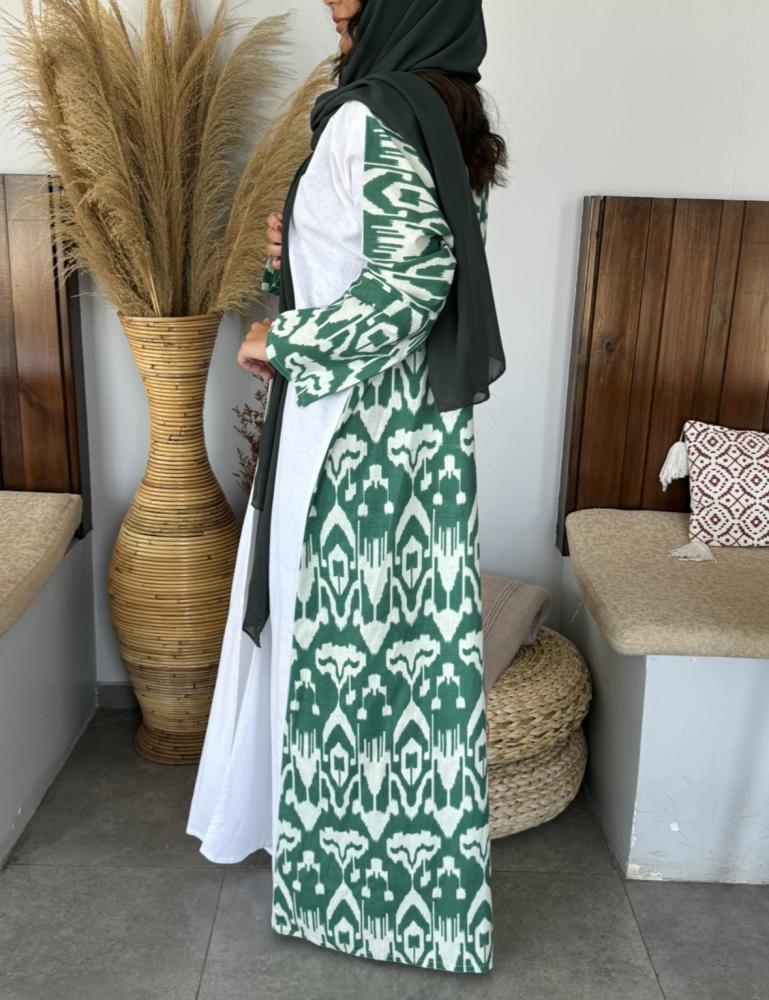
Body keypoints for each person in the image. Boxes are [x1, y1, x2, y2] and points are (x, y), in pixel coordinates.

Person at [187, 0, 507, 974]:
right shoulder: (440, 107)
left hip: (352, 443)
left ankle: (356, 897)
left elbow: (414, 281)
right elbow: (393, 256)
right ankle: (392, 887)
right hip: (410, 440)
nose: (336, 10)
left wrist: (282, 335)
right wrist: (297, 252)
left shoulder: (372, 114)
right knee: (397, 657)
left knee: (343, 653)